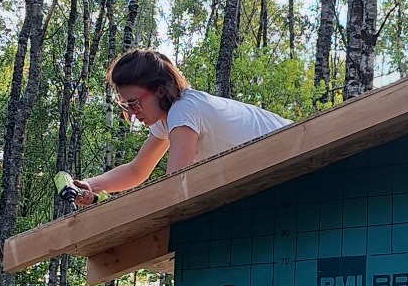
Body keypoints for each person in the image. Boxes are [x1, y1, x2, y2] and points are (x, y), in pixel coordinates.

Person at [67, 51, 289, 204]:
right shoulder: (171, 116)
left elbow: (173, 186)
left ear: (160, 90)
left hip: (293, 155)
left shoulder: (184, 111)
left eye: (135, 103)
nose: (132, 113)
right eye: (126, 105)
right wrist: (89, 186)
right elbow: (137, 170)